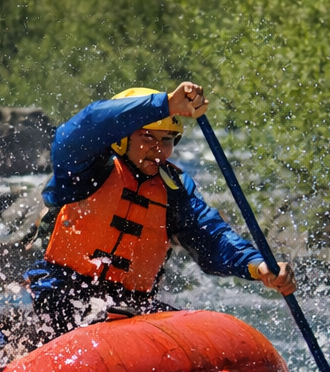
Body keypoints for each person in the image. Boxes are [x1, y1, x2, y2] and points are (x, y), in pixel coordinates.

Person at [26, 83, 297, 338]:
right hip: (63, 295)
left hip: (130, 307)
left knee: (197, 342)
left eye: (167, 139)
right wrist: (164, 105)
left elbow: (212, 239)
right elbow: (82, 128)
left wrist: (258, 266)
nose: (158, 148)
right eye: (146, 136)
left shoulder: (174, 190)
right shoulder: (85, 170)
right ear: (120, 139)